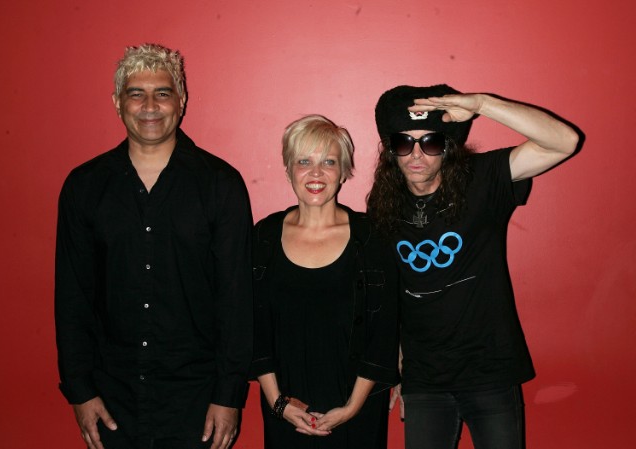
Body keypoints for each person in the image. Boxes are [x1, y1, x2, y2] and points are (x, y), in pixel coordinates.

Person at [54, 43, 253, 449]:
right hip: (111, 398)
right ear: (117, 102)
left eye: (162, 93)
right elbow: (72, 296)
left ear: (181, 101)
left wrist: (228, 395)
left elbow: (237, 299)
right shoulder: (84, 186)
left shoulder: (220, 184)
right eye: (136, 94)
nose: (149, 106)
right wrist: (80, 391)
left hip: (198, 400)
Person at [367, 85, 579, 449]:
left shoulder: (482, 179)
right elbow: (396, 291)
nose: (416, 154)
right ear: (390, 150)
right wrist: (398, 366)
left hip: (489, 372)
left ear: (448, 146)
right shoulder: (383, 205)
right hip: (424, 379)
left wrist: (482, 104)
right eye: (404, 142)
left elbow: (564, 142)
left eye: (431, 142)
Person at [250, 115, 400, 449]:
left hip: (358, 411)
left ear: (344, 171)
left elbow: (384, 333)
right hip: (286, 408)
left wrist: (352, 408)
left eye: (328, 162)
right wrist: (278, 403)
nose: (316, 173)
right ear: (288, 170)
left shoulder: (372, 237)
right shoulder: (264, 236)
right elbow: (254, 327)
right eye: (304, 162)